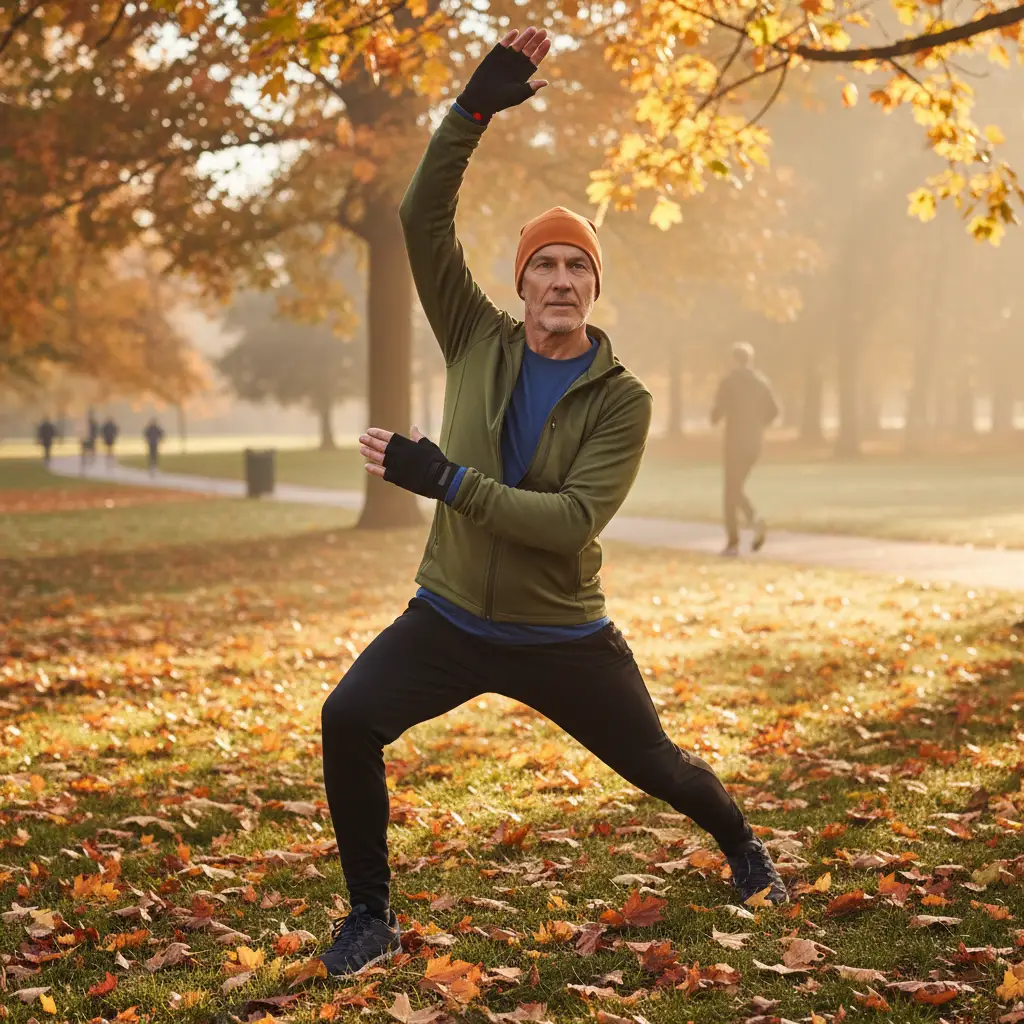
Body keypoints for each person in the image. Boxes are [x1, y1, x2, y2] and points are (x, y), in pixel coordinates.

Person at [316, 27, 787, 979]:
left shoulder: (623, 399)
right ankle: (372, 916)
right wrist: (470, 112)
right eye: (545, 265)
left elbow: (571, 520)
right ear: (521, 283)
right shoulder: (477, 340)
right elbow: (421, 218)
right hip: (448, 615)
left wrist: (444, 479)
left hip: (560, 635)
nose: (561, 280)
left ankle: (743, 845)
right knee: (346, 718)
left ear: (592, 286)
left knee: (662, 768)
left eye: (577, 267)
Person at [710, 342, 779, 557]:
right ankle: (751, 521)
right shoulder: (762, 382)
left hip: (734, 443)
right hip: (754, 443)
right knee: (736, 488)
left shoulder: (729, 382)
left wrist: (716, 415)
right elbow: (774, 411)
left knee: (730, 492)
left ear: (733, 359)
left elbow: (716, 414)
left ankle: (735, 541)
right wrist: (757, 425)